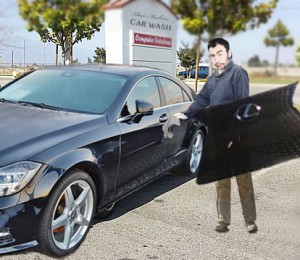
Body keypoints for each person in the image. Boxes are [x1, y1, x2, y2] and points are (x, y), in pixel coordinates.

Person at [190, 38, 257, 233]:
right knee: (221, 182)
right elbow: (200, 102)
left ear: (228, 53)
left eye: (219, 53)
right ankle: (223, 219)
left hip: (237, 138)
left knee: (243, 180)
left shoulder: (238, 74)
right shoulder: (212, 81)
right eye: (212, 55)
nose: (216, 58)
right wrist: (183, 115)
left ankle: (250, 220)